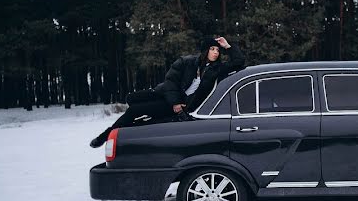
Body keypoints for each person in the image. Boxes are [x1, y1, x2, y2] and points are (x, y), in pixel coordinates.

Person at [89, 37, 245, 147]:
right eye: (212, 49)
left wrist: (227, 46)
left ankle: (108, 136)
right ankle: (108, 134)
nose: (216, 52)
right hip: (166, 95)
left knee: (136, 112)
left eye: (218, 50)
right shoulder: (186, 62)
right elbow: (171, 82)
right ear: (205, 50)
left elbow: (239, 63)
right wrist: (175, 102)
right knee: (132, 100)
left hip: (180, 105)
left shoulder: (216, 69)